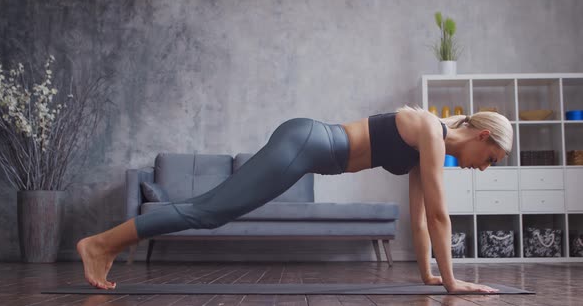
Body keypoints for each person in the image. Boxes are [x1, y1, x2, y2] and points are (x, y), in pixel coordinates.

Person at [77, 106, 512, 293]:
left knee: (208, 208)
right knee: (209, 212)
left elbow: (419, 220)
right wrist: (454, 282)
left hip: (303, 144)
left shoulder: (427, 144)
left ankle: (106, 244)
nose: (483, 167)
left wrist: (430, 276)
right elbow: (440, 215)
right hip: (303, 144)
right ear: (482, 136)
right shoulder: (431, 133)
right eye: (489, 159)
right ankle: (100, 244)